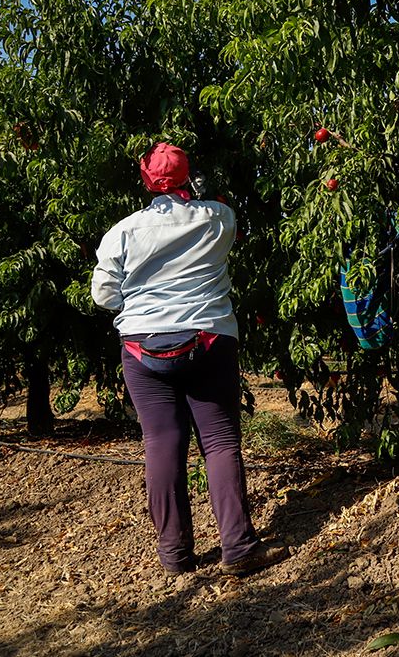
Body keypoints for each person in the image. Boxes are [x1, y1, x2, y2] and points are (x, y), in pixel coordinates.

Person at [91, 142, 285, 577]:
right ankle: (238, 547)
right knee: (218, 442)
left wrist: (141, 301)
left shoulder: (122, 231)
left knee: (161, 443)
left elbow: (103, 295)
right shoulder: (219, 218)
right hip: (208, 339)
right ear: (187, 176)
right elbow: (228, 218)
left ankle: (175, 556)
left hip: (142, 347)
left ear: (145, 180)